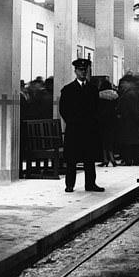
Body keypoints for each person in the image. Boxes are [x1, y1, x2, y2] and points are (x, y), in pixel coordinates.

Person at [59, 58, 105, 193]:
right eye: (80, 70)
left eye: (85, 70)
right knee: (72, 159)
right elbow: (63, 110)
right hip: (74, 129)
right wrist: (72, 122)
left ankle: (90, 183)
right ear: (75, 71)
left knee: (89, 158)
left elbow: (97, 108)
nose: (83, 72)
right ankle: (69, 185)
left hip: (89, 129)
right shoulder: (68, 90)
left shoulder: (92, 89)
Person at [94, 76, 118, 167]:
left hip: (102, 120)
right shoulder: (115, 95)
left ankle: (105, 159)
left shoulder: (98, 95)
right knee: (111, 139)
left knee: (103, 139)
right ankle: (112, 158)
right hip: (112, 119)